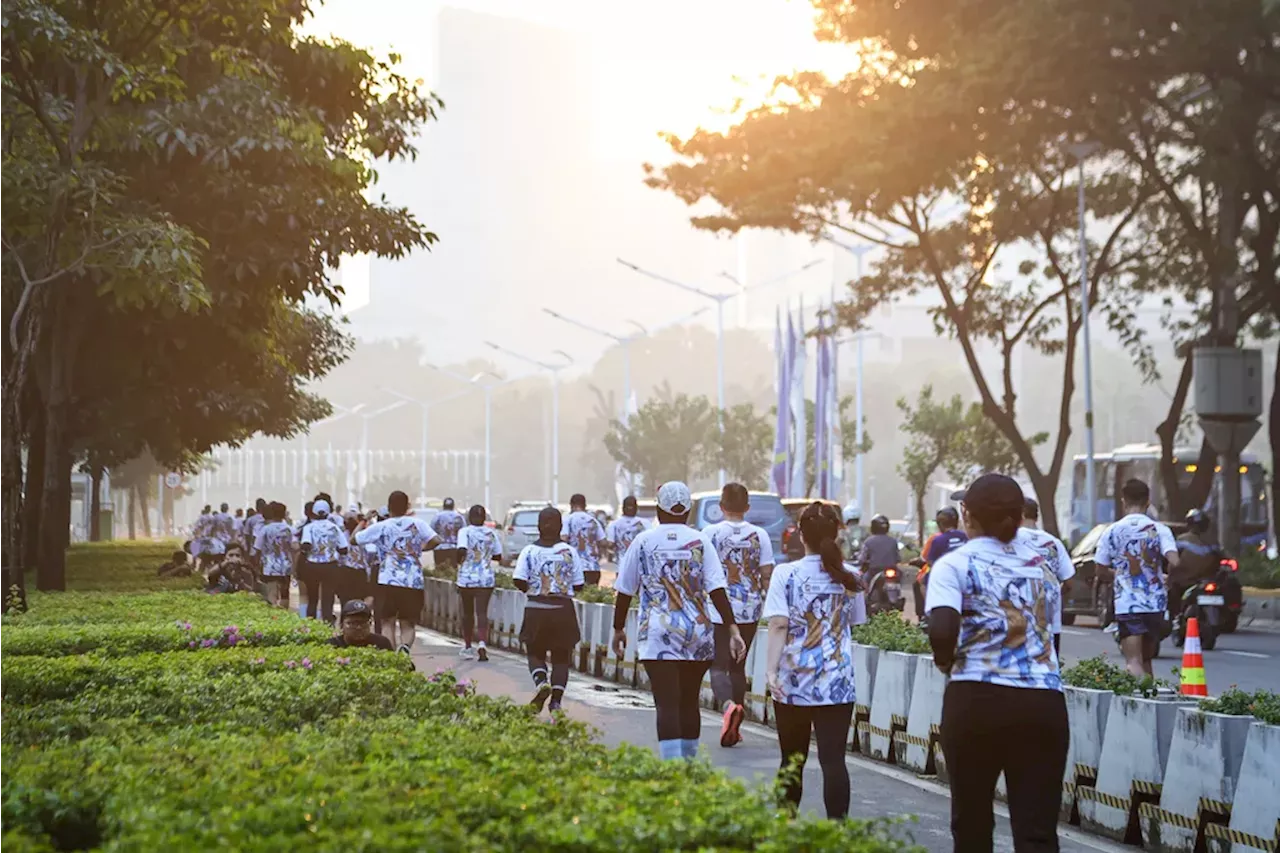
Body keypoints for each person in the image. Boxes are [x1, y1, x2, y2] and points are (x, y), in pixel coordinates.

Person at [927, 473, 1068, 853]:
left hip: (976, 700)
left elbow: (942, 626)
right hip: (1042, 703)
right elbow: (1050, 632)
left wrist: (945, 662)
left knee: (972, 824)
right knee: (1037, 831)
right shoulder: (1043, 565)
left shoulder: (954, 564)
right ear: (1020, 516)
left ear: (966, 514)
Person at [612, 481, 745, 761]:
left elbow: (625, 590)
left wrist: (618, 628)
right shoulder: (700, 541)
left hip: (657, 635)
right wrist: (733, 629)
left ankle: (672, 771)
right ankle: (688, 765)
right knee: (688, 702)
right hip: (696, 635)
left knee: (667, 704)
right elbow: (717, 591)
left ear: (659, 509)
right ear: (687, 510)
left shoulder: (644, 541)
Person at [763, 501, 863, 819]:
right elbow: (856, 623)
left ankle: (785, 827)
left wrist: (770, 671)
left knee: (792, 759)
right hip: (837, 680)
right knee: (834, 761)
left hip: (794, 678)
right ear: (835, 533)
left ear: (800, 535)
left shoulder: (786, 574)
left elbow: (778, 625)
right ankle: (837, 833)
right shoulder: (851, 576)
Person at [702, 483, 775, 748]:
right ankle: (736, 723)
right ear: (747, 507)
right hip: (749, 609)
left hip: (718, 609)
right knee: (738, 666)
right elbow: (767, 575)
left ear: (721, 507)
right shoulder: (760, 535)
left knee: (718, 664)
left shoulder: (710, 533)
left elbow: (700, 571)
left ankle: (729, 707)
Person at [1094, 479, 1179, 677]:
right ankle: (1149, 700)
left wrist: (1119, 575)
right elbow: (1175, 562)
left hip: (1127, 605)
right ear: (1148, 502)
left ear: (1123, 501)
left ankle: (1136, 705)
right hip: (1155, 605)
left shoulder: (1111, 531)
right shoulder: (1160, 530)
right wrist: (1166, 578)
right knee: (1147, 661)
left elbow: (1100, 570)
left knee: (1133, 662)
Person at [513, 506, 583, 712]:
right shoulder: (570, 552)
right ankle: (556, 701)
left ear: (538, 526)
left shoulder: (529, 551)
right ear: (561, 527)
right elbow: (579, 585)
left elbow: (518, 580)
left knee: (535, 652)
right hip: (563, 610)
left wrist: (533, 589)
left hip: (536, 609)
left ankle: (541, 682)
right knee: (562, 657)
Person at [356, 490, 442, 652]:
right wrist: (420, 549)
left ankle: (391, 655)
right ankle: (405, 648)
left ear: (389, 507)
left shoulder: (382, 526)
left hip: (388, 580)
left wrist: (364, 521)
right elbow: (437, 540)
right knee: (408, 622)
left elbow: (354, 539)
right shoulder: (418, 524)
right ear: (407, 507)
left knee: (387, 621)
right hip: (413, 580)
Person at [1017, 497, 1075, 655]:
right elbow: (1069, 581)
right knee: (1050, 663)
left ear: (1019, 514)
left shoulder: (1013, 540)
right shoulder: (1054, 543)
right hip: (1051, 617)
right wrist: (1054, 594)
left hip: (1021, 616)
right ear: (1036, 517)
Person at [456, 504, 502, 661]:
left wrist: (460, 561)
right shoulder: (492, 533)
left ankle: (468, 646)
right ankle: (482, 643)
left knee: (467, 613)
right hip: (486, 578)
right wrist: (485, 555)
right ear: (483, 518)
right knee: (482, 613)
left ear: (469, 517)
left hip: (467, 578)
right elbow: (498, 556)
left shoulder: (464, 532)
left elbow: (461, 550)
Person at [300, 499, 349, 624]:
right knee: (328, 598)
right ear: (328, 512)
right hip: (330, 566)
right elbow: (344, 549)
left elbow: (305, 546)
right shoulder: (335, 528)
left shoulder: (309, 528)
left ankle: (310, 627)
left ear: (314, 512)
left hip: (312, 565)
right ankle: (327, 626)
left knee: (312, 598)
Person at [1170, 508, 1219, 630]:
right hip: (1201, 581)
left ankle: (1176, 617)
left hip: (1189, 581)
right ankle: (1176, 617)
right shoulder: (1212, 541)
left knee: (1172, 590)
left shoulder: (1182, 540)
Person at [917, 507, 968, 622]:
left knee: (923, 582)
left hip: (946, 575)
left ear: (940, 524)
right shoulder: (964, 536)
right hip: (966, 572)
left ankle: (930, 611)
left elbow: (930, 562)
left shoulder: (938, 540)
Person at [255, 502, 294, 607]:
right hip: (286, 565)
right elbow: (294, 548)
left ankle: (274, 617)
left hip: (269, 566)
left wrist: (257, 565)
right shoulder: (289, 529)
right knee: (285, 593)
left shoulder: (265, 529)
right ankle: (285, 615)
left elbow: (257, 549)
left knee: (272, 593)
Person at [562, 493, 606, 585]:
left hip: (575, 568)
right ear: (585, 505)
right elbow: (603, 542)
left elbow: (564, 539)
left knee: (576, 597)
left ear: (571, 505)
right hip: (593, 567)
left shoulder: (567, 519)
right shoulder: (594, 521)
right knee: (590, 596)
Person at [329, 600, 395, 650]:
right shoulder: (332, 646)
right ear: (341, 625)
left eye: (363, 623)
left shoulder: (382, 644)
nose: (359, 627)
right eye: (353, 623)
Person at [606, 496, 647, 564]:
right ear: (636, 507)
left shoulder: (614, 524)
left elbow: (610, 544)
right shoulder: (645, 523)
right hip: (640, 565)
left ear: (623, 508)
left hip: (622, 564)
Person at [431, 498, 466, 573]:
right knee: (453, 571)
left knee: (439, 571)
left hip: (439, 547)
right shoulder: (459, 517)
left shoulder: (437, 516)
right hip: (454, 548)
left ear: (443, 506)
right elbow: (464, 532)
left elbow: (431, 531)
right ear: (453, 506)